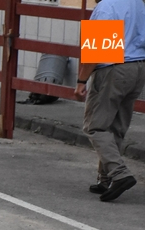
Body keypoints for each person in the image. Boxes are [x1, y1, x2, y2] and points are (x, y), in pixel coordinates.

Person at [74, 0, 145, 202]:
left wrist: (81, 81)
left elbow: (97, 50)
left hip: (114, 67)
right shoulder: (137, 3)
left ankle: (119, 173)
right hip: (138, 66)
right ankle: (105, 179)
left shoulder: (107, 7)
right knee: (116, 127)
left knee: (95, 126)